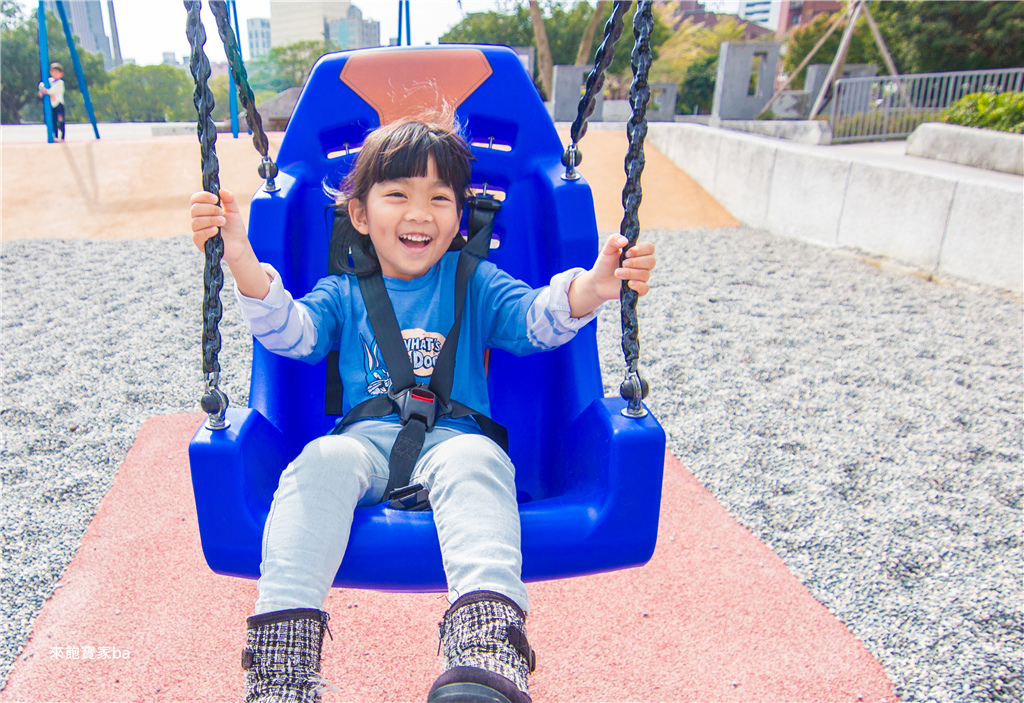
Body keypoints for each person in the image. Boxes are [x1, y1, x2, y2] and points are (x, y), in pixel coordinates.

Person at [189, 115, 656, 703]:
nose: (419, 213)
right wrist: (239, 257)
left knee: (477, 465)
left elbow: (538, 318)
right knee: (318, 463)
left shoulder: (477, 282)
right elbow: (291, 334)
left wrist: (593, 285)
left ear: (459, 216)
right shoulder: (344, 292)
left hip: (455, 439)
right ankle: (282, 668)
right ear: (360, 214)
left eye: (440, 197)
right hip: (364, 443)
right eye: (397, 195)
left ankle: (486, 655)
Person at [38, 62, 66, 142]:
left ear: (61, 74)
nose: (55, 74)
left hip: (59, 104)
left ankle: (62, 136)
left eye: (57, 72)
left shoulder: (60, 82)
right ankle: (55, 135)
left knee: (60, 120)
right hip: (52, 105)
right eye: (53, 71)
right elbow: (41, 84)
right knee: (53, 120)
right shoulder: (49, 81)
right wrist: (41, 90)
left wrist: (45, 91)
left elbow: (52, 91)